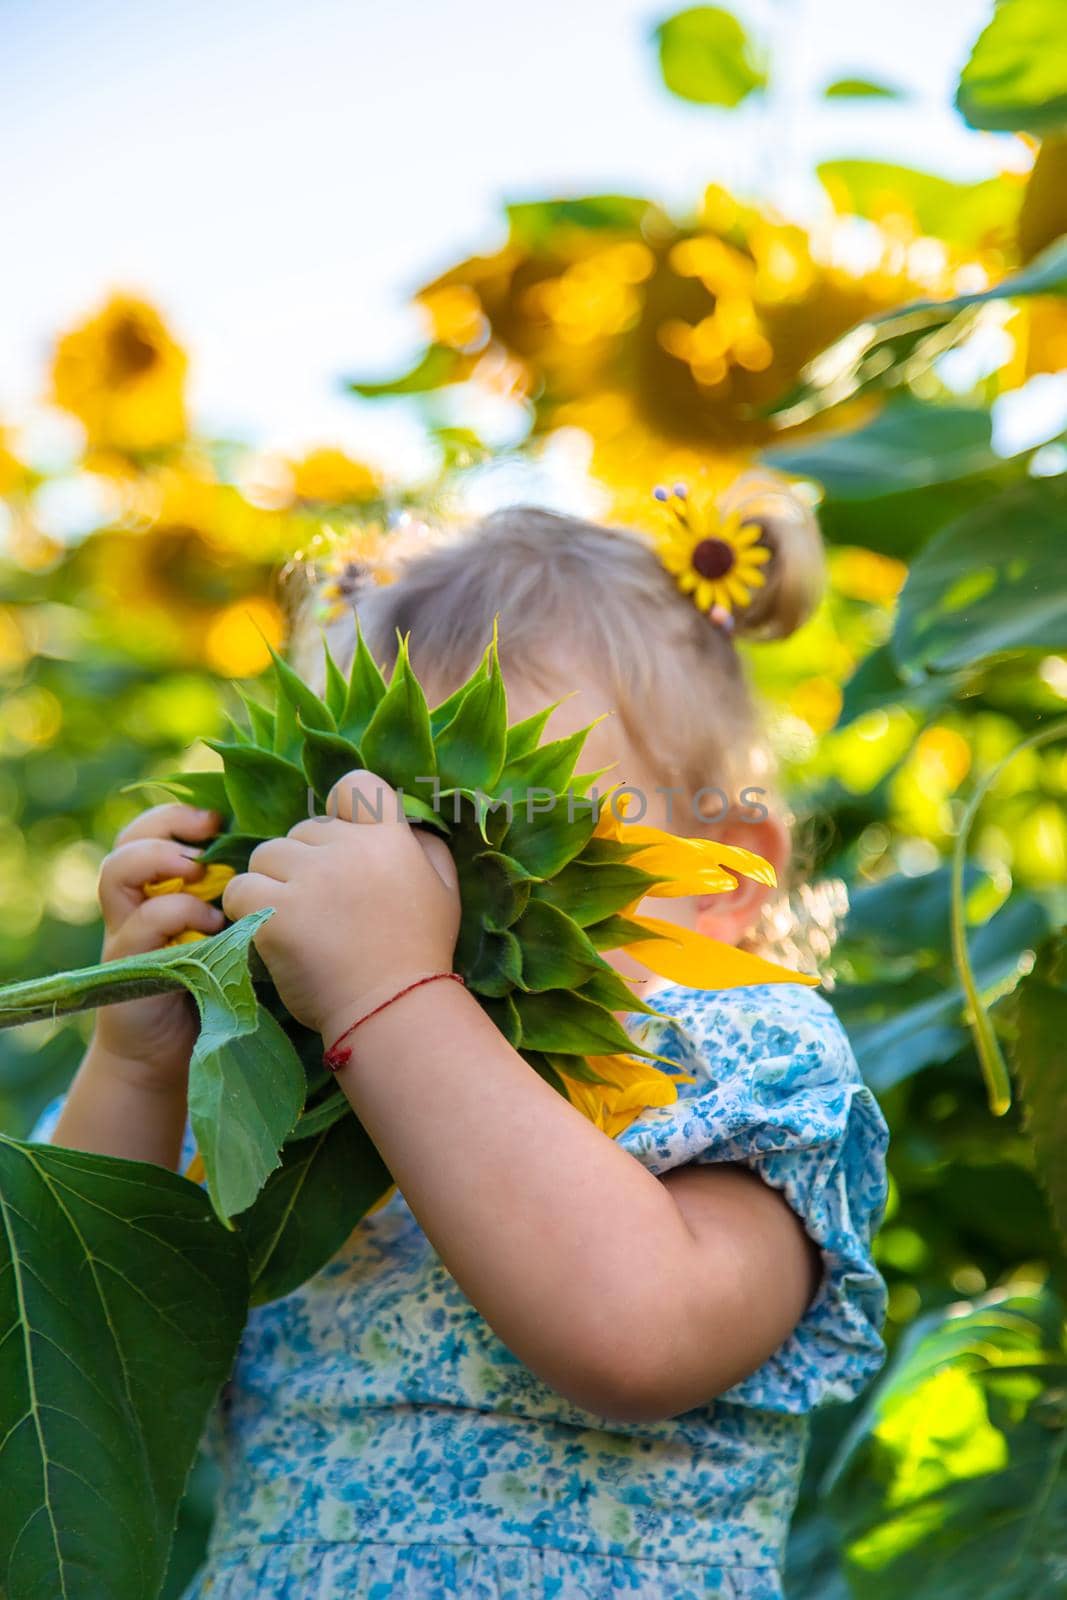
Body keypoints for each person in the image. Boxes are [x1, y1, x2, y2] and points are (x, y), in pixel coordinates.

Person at [34, 483, 889, 1600]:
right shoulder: (267, 1098)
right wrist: (140, 1064)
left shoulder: (732, 1067)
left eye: (518, 845)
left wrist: (396, 992)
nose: (422, 907)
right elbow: (75, 1348)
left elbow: (636, 1334)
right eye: (366, 848)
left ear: (724, 877)